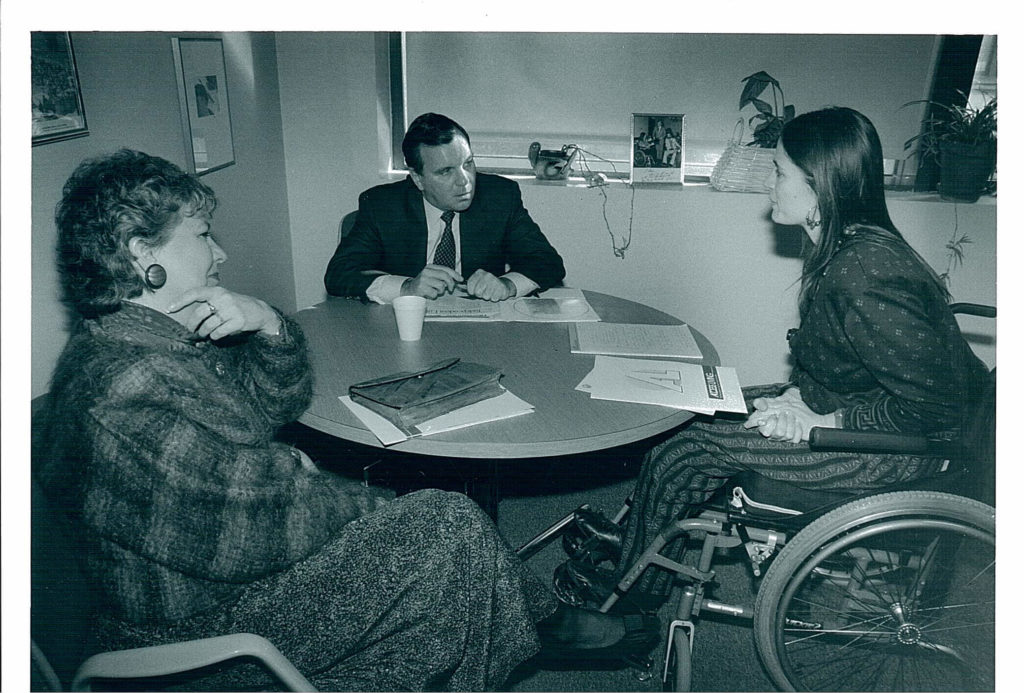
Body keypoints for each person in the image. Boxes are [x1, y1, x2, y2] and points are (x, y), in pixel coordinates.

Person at [33, 150, 656, 691]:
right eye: (202, 235)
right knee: (448, 532)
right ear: (144, 251)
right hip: (193, 622)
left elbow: (272, 406)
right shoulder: (124, 390)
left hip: (215, 579)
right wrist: (357, 498)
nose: (220, 250)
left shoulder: (154, 338)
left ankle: (536, 619)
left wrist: (269, 324)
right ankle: (541, 624)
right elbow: (262, 530)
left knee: (442, 527)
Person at [557, 107, 990, 605]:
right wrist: (799, 398)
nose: (770, 185)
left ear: (820, 185)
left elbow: (940, 409)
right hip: (856, 412)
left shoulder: (865, 273)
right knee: (683, 419)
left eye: (780, 172)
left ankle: (631, 605)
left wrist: (825, 418)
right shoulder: (846, 246)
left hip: (900, 453)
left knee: (687, 452)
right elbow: (852, 360)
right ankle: (637, 541)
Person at [324, 112, 566, 303]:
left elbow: (547, 261)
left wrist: (507, 285)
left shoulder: (499, 197)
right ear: (418, 178)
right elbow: (339, 274)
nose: (464, 181)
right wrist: (407, 287)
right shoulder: (382, 206)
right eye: (445, 171)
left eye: (467, 163)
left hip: (479, 330)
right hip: (402, 326)